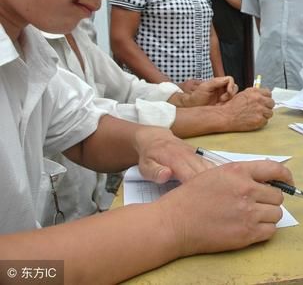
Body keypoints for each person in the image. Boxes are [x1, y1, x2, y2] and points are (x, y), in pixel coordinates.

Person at [0, 0, 294, 283]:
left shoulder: (30, 47)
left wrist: (149, 138)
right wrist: (175, 225)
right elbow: (17, 272)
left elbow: (83, 127)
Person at [42, 24, 275, 223]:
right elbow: (93, 120)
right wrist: (220, 116)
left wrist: (183, 100)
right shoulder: (25, 44)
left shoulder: (73, 31)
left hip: (88, 211)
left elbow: (122, 90)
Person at [210, 0, 248, 89]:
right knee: (221, 76)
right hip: (218, 38)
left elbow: (244, 5)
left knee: (233, 76)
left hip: (232, 37)